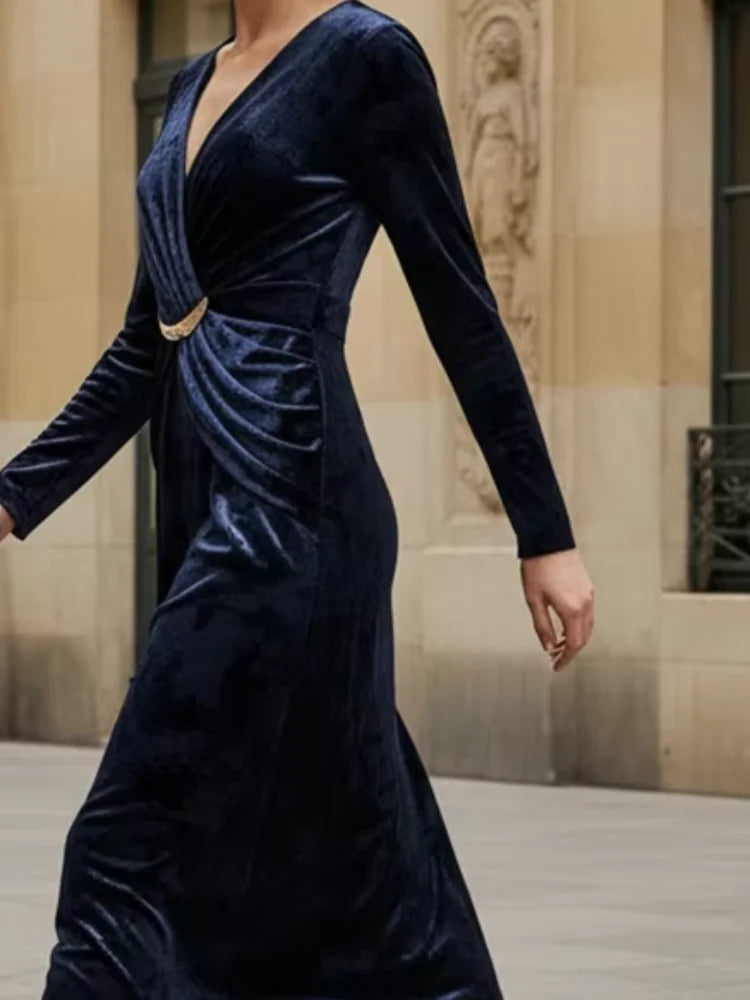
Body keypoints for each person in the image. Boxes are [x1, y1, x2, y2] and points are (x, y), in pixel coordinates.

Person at [0, 0, 594, 996]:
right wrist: (13, 498)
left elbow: (460, 301)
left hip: (293, 499)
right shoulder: (190, 85)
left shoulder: (368, 58)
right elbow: (145, 347)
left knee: (124, 845)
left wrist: (545, 532)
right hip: (203, 495)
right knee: (346, 855)